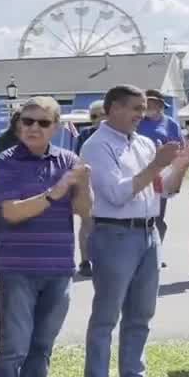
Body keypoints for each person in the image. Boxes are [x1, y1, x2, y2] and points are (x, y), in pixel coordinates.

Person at [79, 85, 189, 377]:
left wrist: (182, 164)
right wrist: (157, 164)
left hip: (148, 233)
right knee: (106, 316)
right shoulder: (96, 146)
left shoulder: (142, 143)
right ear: (112, 109)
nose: (142, 114)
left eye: (143, 108)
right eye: (135, 108)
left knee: (141, 313)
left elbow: (165, 189)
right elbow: (115, 194)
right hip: (115, 234)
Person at [0, 97, 92, 377]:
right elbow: (11, 213)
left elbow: (83, 210)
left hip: (59, 267)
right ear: (18, 125)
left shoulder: (69, 160)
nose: (33, 127)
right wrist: (55, 191)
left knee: (42, 347)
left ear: (55, 127)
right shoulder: (6, 161)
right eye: (27, 121)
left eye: (43, 123)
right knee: (14, 348)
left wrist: (83, 182)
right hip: (18, 269)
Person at [137, 89, 184, 249]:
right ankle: (142, 249)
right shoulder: (137, 122)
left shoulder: (171, 124)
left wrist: (177, 176)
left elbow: (179, 151)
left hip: (161, 174)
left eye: (152, 104)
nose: (148, 107)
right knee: (139, 214)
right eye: (146, 103)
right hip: (138, 171)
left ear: (160, 105)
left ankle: (156, 249)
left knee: (157, 215)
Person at [0, 110, 23, 267]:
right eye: (25, 121)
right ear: (15, 122)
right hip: (4, 186)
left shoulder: (29, 138)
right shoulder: (5, 140)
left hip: (24, 186)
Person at [75, 101, 105, 276]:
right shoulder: (85, 134)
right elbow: (78, 159)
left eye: (101, 114)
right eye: (94, 116)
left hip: (110, 185)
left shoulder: (119, 133)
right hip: (88, 184)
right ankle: (85, 261)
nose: (98, 119)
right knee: (87, 223)